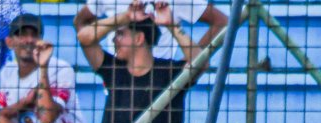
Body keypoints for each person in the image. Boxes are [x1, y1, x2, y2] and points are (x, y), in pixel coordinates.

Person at [75, 0, 228, 60]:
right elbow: (80, 21)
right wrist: (99, 57)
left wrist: (190, 62)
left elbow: (222, 22)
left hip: (163, 81)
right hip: (120, 77)